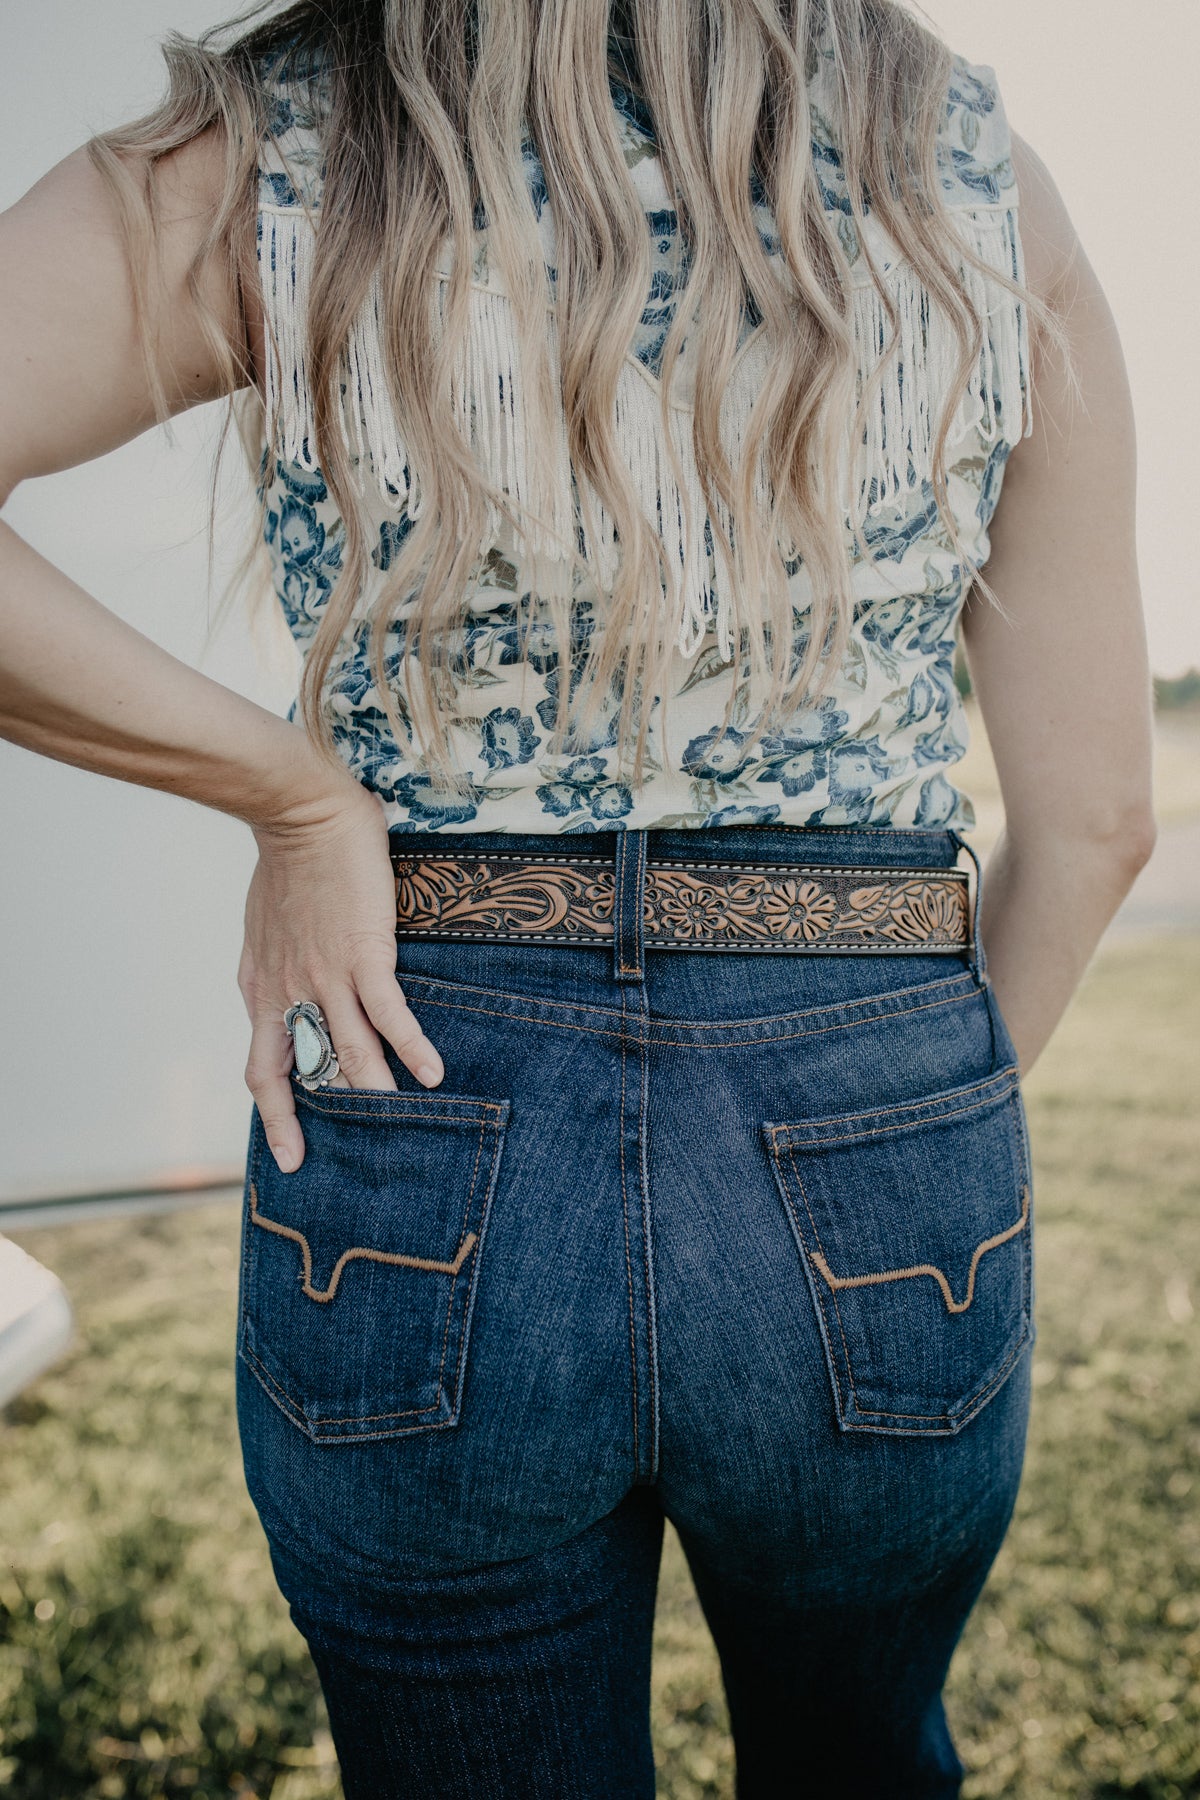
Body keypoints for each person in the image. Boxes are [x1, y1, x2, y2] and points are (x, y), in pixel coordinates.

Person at [0, 1, 1156, 1794]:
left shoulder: (279, 146)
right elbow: (1095, 827)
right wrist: (906, 1108)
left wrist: (296, 802)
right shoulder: (973, 171)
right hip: (872, 1094)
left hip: (427, 1078)